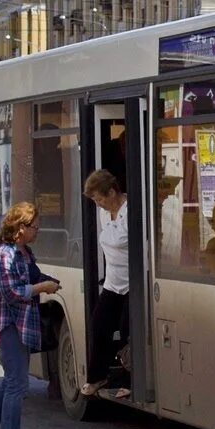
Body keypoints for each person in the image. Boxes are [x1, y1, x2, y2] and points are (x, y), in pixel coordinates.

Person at [0, 202, 61, 429]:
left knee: (14, 379)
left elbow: (31, 276)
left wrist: (47, 282)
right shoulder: (5, 255)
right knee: (17, 383)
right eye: (34, 227)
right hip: (8, 324)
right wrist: (40, 288)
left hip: (21, 324)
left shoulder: (24, 252)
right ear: (20, 228)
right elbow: (11, 293)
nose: (37, 231)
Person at [81, 169, 130, 398]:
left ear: (112, 192)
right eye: (94, 201)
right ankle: (98, 376)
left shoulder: (130, 211)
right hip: (112, 282)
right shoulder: (104, 214)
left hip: (133, 283)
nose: (98, 204)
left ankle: (131, 380)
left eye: (99, 199)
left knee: (130, 331)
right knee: (99, 326)